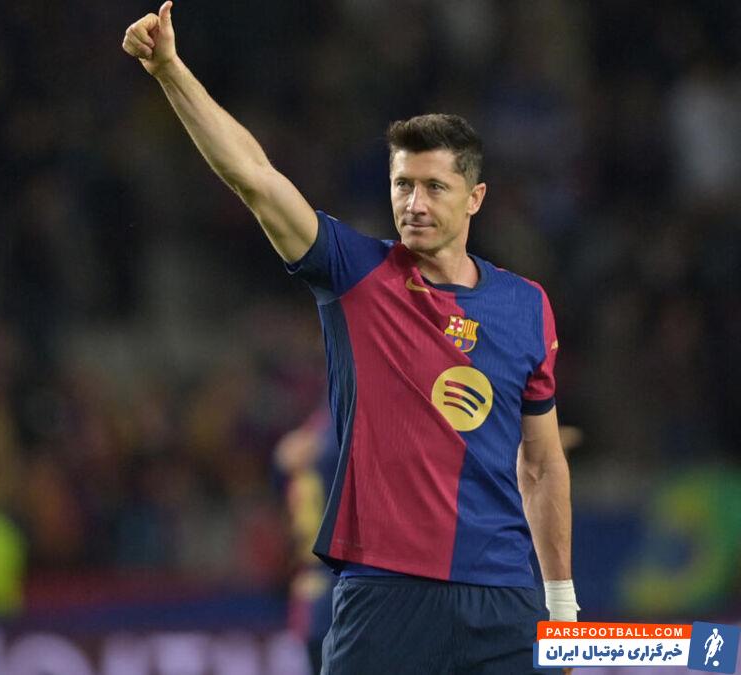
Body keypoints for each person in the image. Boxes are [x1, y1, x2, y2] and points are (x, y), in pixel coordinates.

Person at [122, 4, 578, 673]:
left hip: (505, 601)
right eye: (403, 185)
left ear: (475, 198)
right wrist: (169, 71)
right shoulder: (356, 274)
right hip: (385, 596)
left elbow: (541, 464)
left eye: (435, 187)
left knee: (705, 653)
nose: (415, 204)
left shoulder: (527, 306)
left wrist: (561, 603)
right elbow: (256, 178)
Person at [274, 403, 341, 675]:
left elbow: (284, 455)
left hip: (314, 581)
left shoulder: (313, 434)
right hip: (333, 576)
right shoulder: (332, 432)